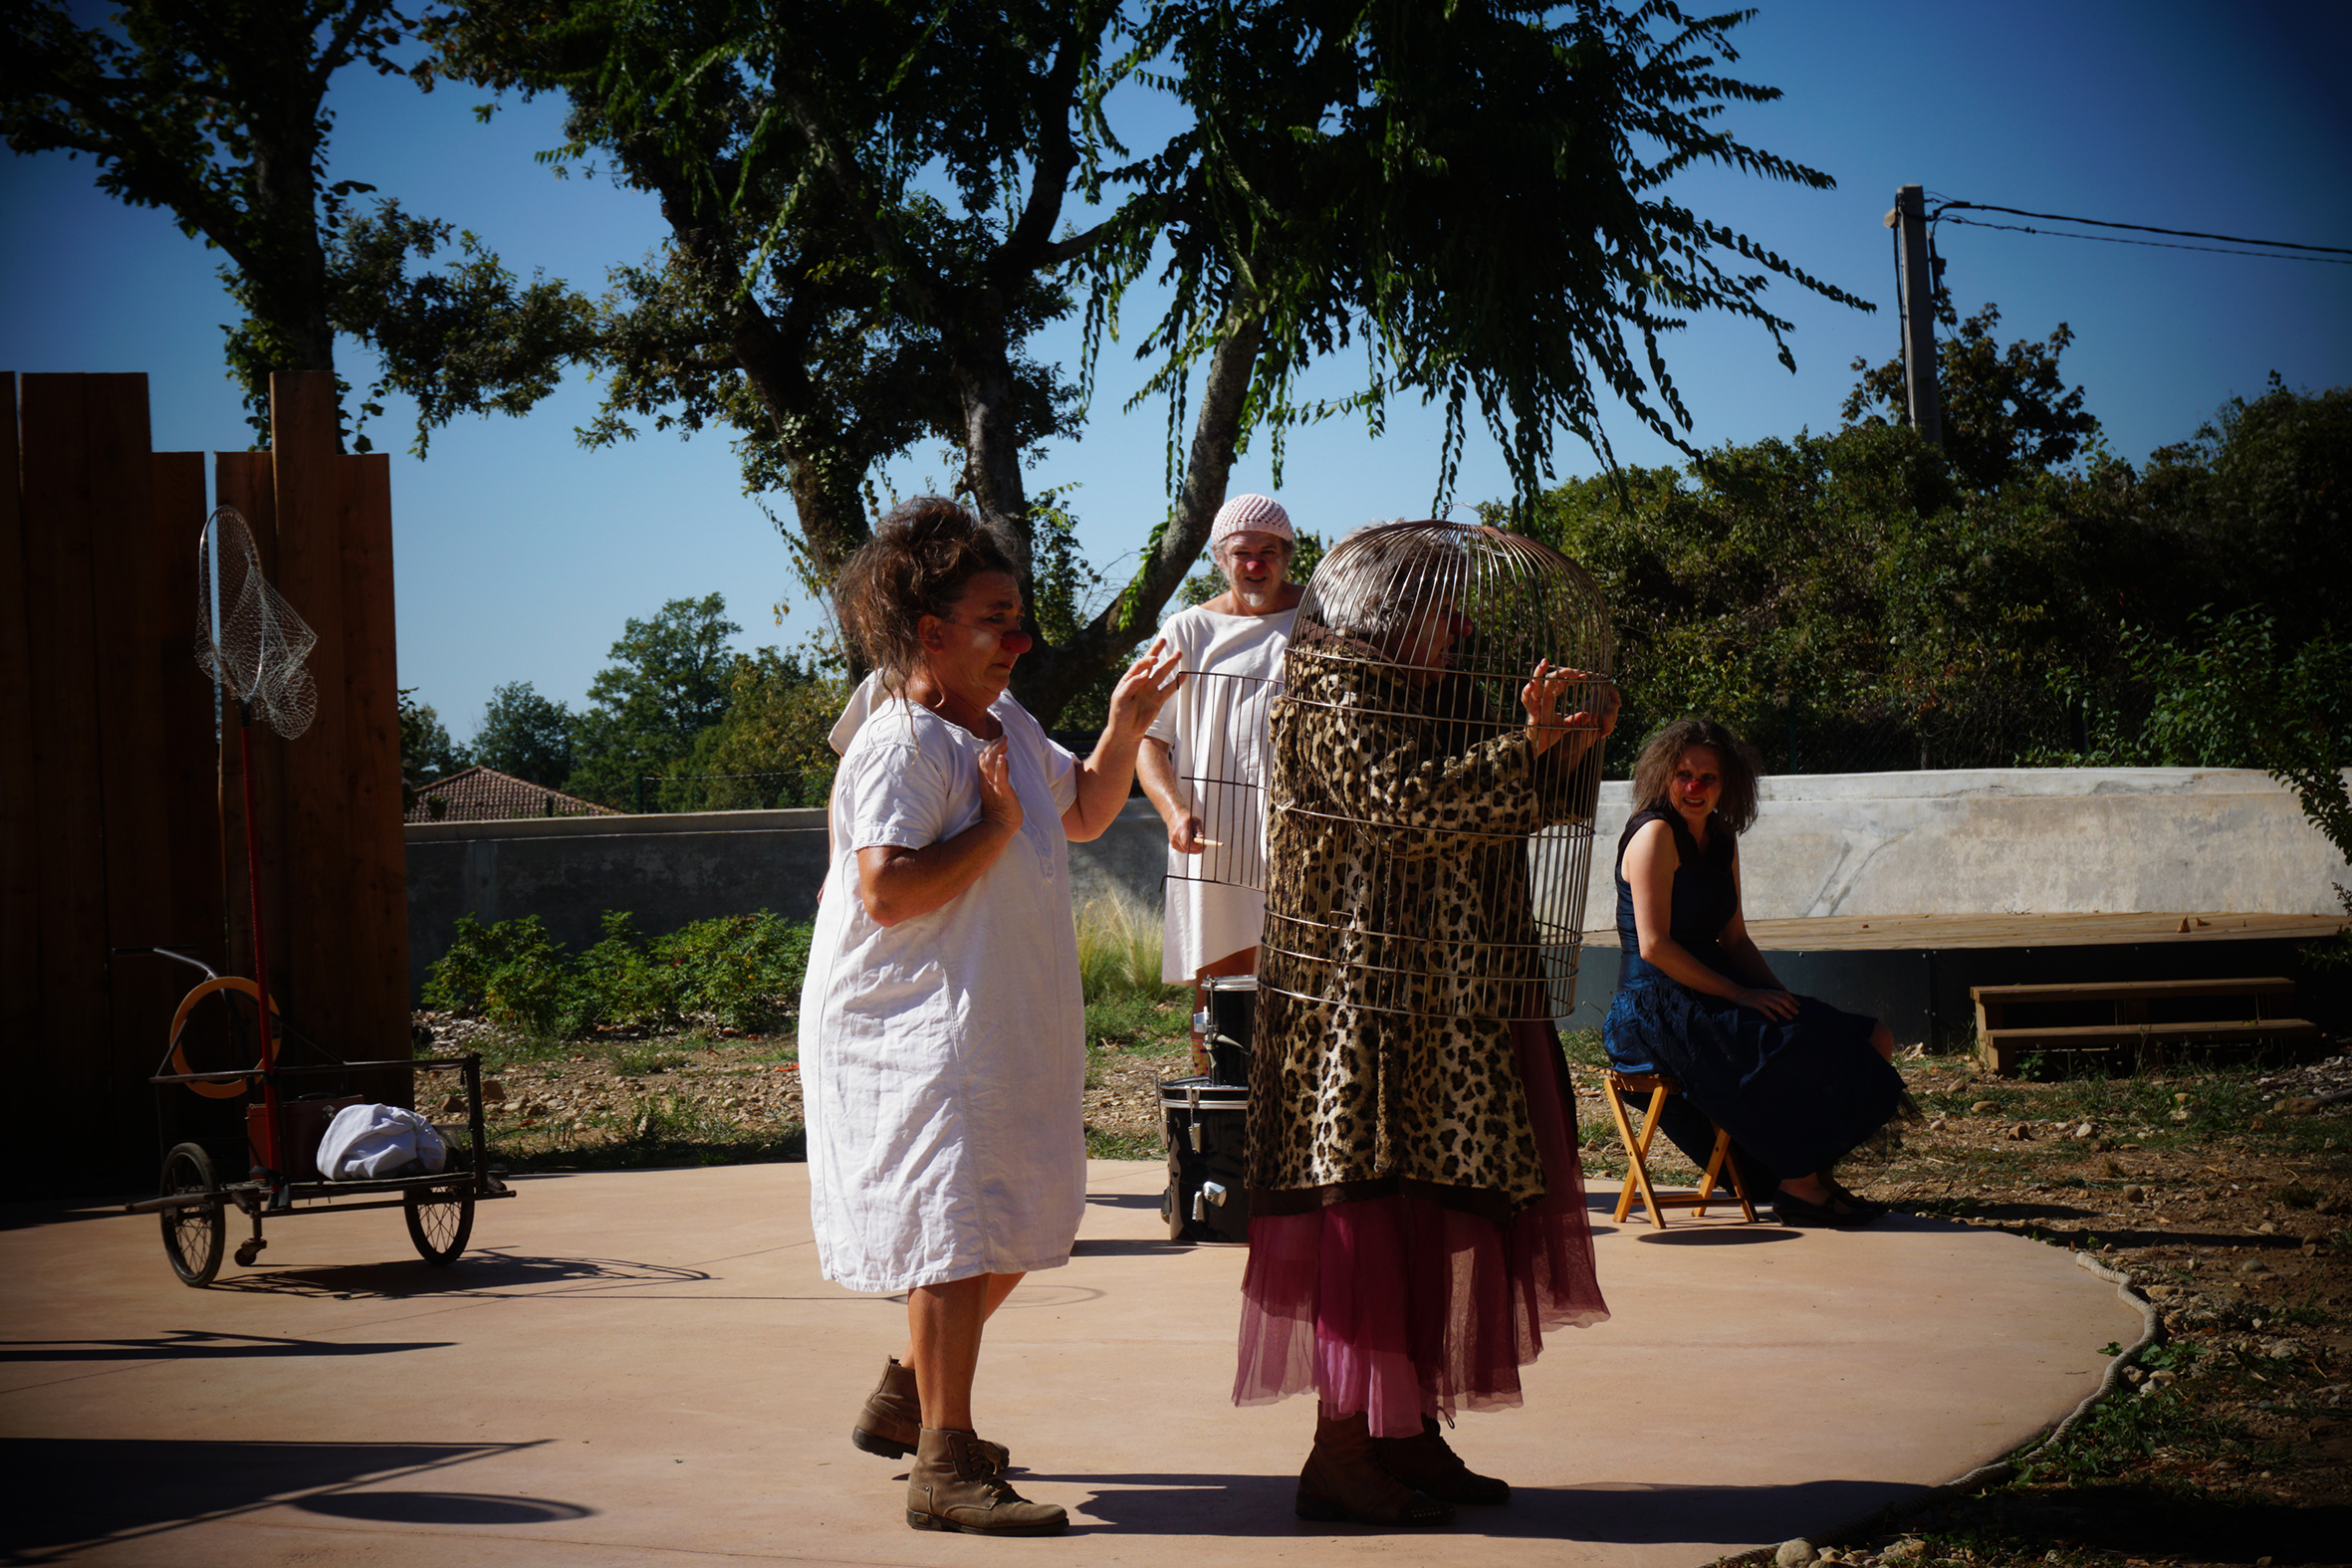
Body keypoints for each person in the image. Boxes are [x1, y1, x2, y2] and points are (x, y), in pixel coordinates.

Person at [798, 498, 1181, 1536]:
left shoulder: (1005, 721)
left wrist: (1123, 730)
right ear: (930, 633)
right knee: (953, 1233)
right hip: (911, 1026)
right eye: (995, 620)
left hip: (996, 1015)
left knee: (1019, 1213)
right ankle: (944, 1461)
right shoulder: (903, 745)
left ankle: (906, 1398)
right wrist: (999, 824)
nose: (1019, 641)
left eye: (1021, 620)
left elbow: (1091, 812)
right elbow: (885, 889)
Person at [1237, 523, 1617, 1527]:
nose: (1458, 628)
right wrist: (1521, 750)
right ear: (1380, 615)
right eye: (1439, 611)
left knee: (1425, 1218)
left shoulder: (1440, 697)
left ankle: (1404, 1430)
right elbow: (1400, 807)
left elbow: (1503, 804)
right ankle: (1339, 1448)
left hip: (1446, 1003)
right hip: (1358, 1008)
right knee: (1361, 1221)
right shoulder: (1329, 690)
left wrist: (1563, 752)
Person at [1600, 717, 1907, 1228]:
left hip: (1714, 993)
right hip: (1654, 1008)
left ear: (1729, 784)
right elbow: (1654, 947)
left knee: (1867, 1036)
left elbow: (1734, 938)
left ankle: (1804, 1176)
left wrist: (1786, 1001)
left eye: (1708, 778)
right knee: (1790, 1046)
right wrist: (1741, 995)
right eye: (1683, 774)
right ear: (1663, 775)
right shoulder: (1654, 833)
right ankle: (1801, 1186)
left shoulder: (1721, 838)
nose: (1694, 787)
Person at [1137, 493, 1303, 1074]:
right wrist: (1175, 812)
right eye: (1241, 553)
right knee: (1221, 989)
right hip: (1218, 843)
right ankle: (1221, 1113)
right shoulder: (1186, 630)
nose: (1254, 564)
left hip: (1308, 838)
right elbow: (1147, 740)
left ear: (1287, 555)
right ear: (1218, 557)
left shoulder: (1319, 625)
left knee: (1307, 987)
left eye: (1267, 551)